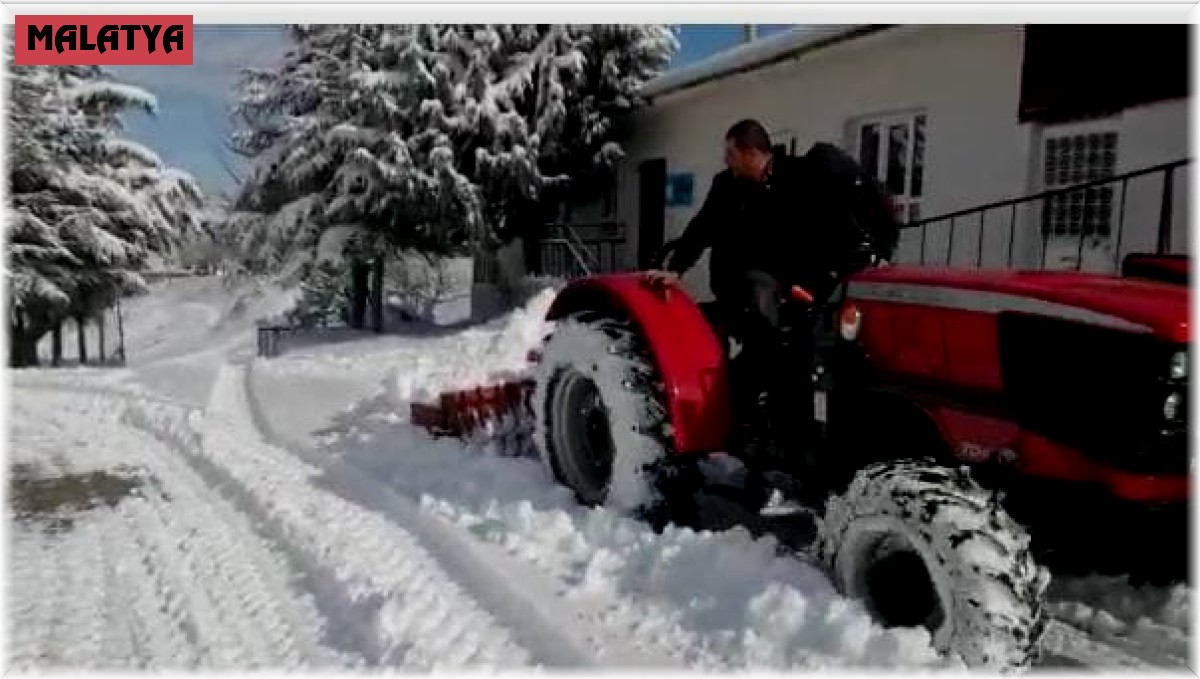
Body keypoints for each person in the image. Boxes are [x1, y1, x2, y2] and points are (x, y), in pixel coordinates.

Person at [645, 119, 897, 476]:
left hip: (794, 285)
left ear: (752, 153)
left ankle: (805, 436)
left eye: (730, 153)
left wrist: (864, 254)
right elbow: (702, 228)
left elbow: (840, 216)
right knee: (770, 333)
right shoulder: (726, 186)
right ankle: (756, 424)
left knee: (818, 348)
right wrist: (677, 268)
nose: (726, 159)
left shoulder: (799, 177)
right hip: (741, 284)